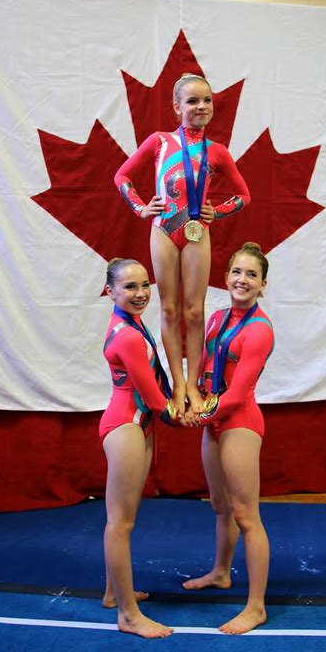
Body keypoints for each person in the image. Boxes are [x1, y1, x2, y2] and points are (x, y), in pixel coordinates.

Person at [114, 73, 251, 417]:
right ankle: (176, 384)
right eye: (192, 101)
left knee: (193, 311)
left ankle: (193, 383)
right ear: (177, 108)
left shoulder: (217, 152)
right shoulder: (159, 142)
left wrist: (216, 212)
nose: (201, 106)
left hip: (196, 231)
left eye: (207, 100)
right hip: (164, 229)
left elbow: (244, 196)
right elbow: (122, 176)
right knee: (170, 310)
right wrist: (142, 208)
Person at [182, 242, 274, 635]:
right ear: (226, 277)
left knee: (246, 515)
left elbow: (236, 395)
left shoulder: (260, 330)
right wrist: (189, 396)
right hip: (213, 422)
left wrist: (198, 412)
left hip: (239, 423)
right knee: (220, 505)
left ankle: (256, 607)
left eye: (251, 275)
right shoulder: (218, 318)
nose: (242, 280)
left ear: (263, 285)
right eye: (237, 272)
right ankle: (221, 573)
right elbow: (201, 368)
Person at [99, 257, 179, 639]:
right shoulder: (129, 334)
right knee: (121, 522)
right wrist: (191, 413)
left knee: (124, 518)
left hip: (136, 424)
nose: (141, 293)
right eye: (129, 287)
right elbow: (153, 397)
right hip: (127, 425)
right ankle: (129, 616)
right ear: (109, 291)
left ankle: (115, 592)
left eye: (145, 284)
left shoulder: (131, 321)